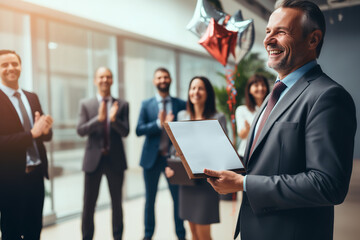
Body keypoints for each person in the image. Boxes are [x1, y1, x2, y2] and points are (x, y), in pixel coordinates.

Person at [204, 1, 357, 240]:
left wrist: (244, 183)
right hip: (255, 228)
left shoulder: (328, 96)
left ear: (313, 40)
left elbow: (328, 185)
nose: (268, 40)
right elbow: (266, 159)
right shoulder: (274, 92)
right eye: (268, 31)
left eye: (281, 32)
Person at [0, 49, 53, 240]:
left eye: (14, 63)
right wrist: (31, 134)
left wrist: (45, 131)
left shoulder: (32, 97)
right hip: (9, 179)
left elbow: (43, 136)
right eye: (4, 65)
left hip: (36, 176)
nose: (10, 68)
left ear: (21, 67)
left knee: (34, 230)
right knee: (11, 232)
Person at [166, 76, 226, 240]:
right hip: (186, 182)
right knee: (193, 232)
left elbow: (222, 152)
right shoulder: (182, 115)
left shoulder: (218, 117)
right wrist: (171, 165)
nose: (196, 92)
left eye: (200, 88)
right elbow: (173, 148)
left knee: (203, 233)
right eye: (193, 88)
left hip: (206, 182)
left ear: (208, 93)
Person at [77, 67, 129, 240]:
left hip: (115, 161)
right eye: (101, 77)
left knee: (117, 204)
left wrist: (113, 120)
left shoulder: (122, 105)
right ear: (95, 80)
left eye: (108, 77)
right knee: (89, 205)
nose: (104, 80)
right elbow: (81, 130)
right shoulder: (86, 104)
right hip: (93, 161)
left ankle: (117, 237)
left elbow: (126, 132)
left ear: (112, 80)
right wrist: (98, 120)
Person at [136, 67, 186, 240]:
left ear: (170, 79)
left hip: (173, 160)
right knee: (150, 201)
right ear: (154, 81)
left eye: (165, 77)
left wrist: (171, 126)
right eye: (159, 77)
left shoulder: (181, 104)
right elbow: (138, 129)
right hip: (151, 159)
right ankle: (148, 235)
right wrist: (159, 123)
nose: (163, 80)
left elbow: (186, 131)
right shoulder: (146, 104)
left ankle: (181, 235)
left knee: (177, 200)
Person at [235, 74, 269, 157]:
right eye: (256, 85)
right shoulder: (241, 110)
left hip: (266, 154)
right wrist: (247, 129)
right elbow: (242, 136)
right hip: (246, 154)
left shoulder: (272, 108)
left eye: (263, 85)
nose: (260, 88)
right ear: (249, 90)